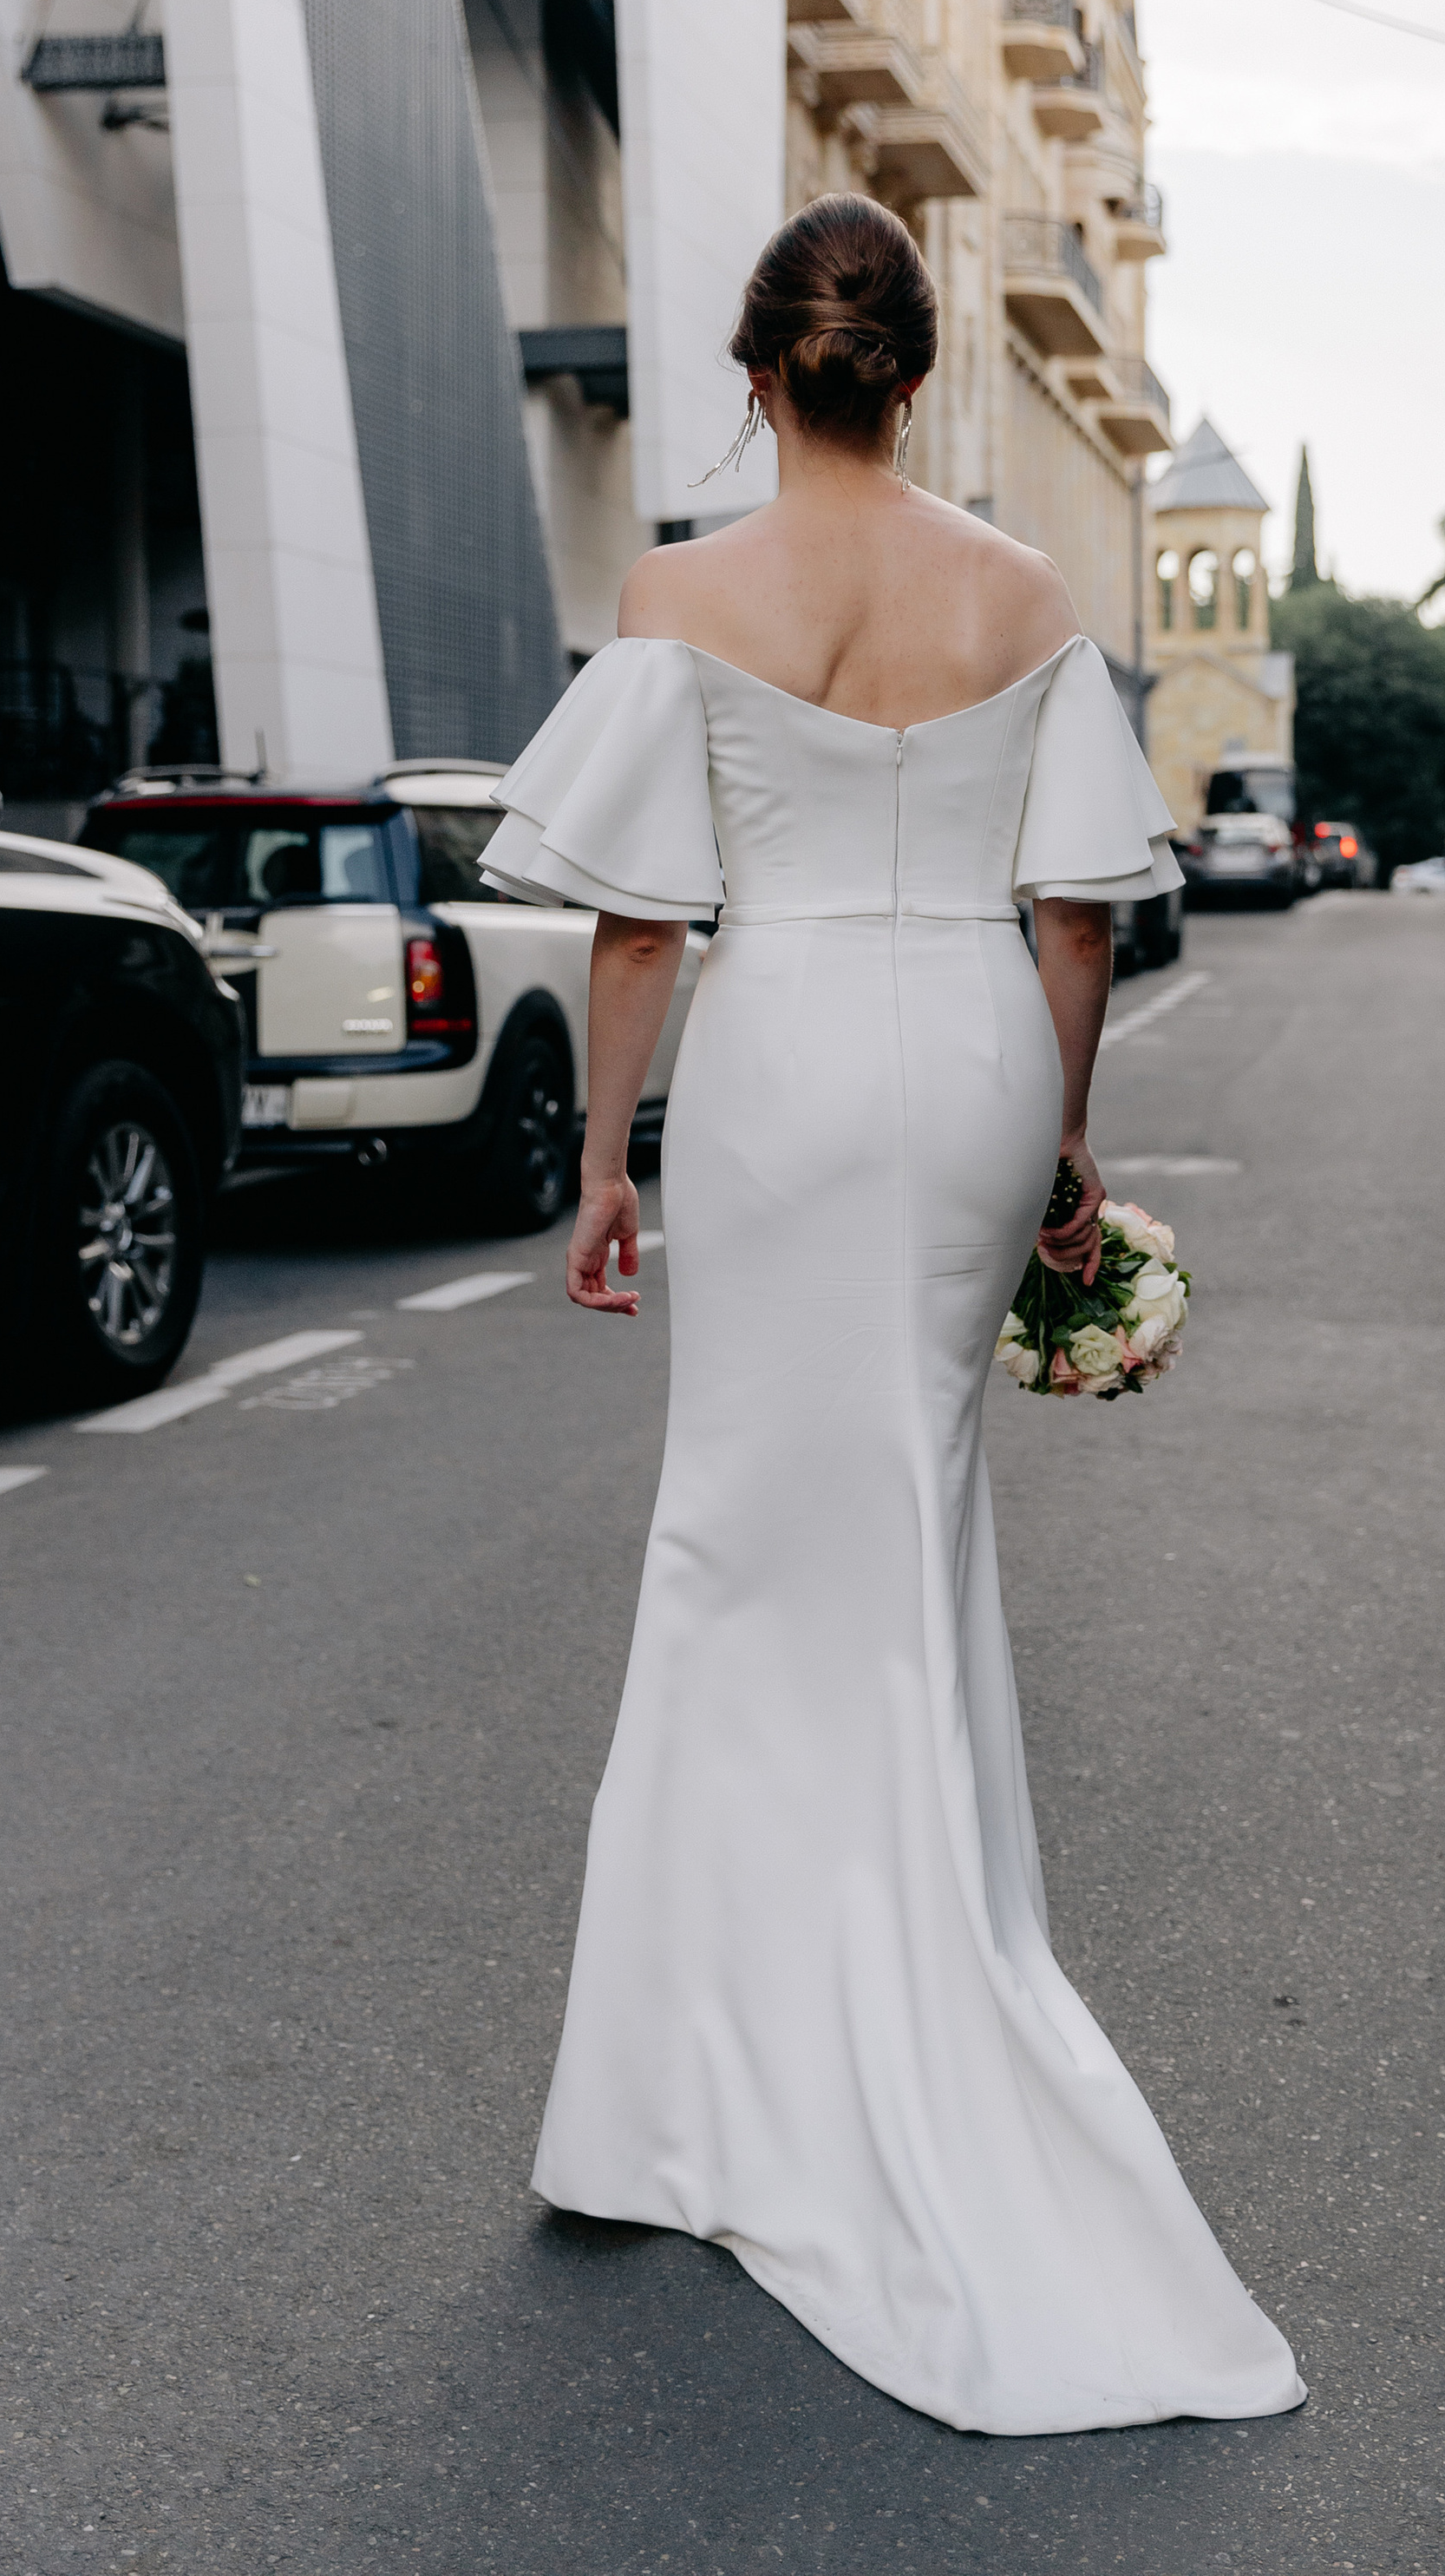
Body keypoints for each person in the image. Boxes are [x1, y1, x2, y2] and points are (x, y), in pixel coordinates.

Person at [481, 195, 1304, 2436]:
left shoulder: (679, 596)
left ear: (760, 377)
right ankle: (914, 1994)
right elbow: (1071, 921)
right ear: (915, 376)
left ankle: (696, 2096)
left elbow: (642, 931)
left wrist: (600, 1167)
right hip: (957, 1057)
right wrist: (1049, 1150)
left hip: (772, 1085)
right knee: (910, 1542)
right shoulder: (1025, 600)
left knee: (737, 1549)